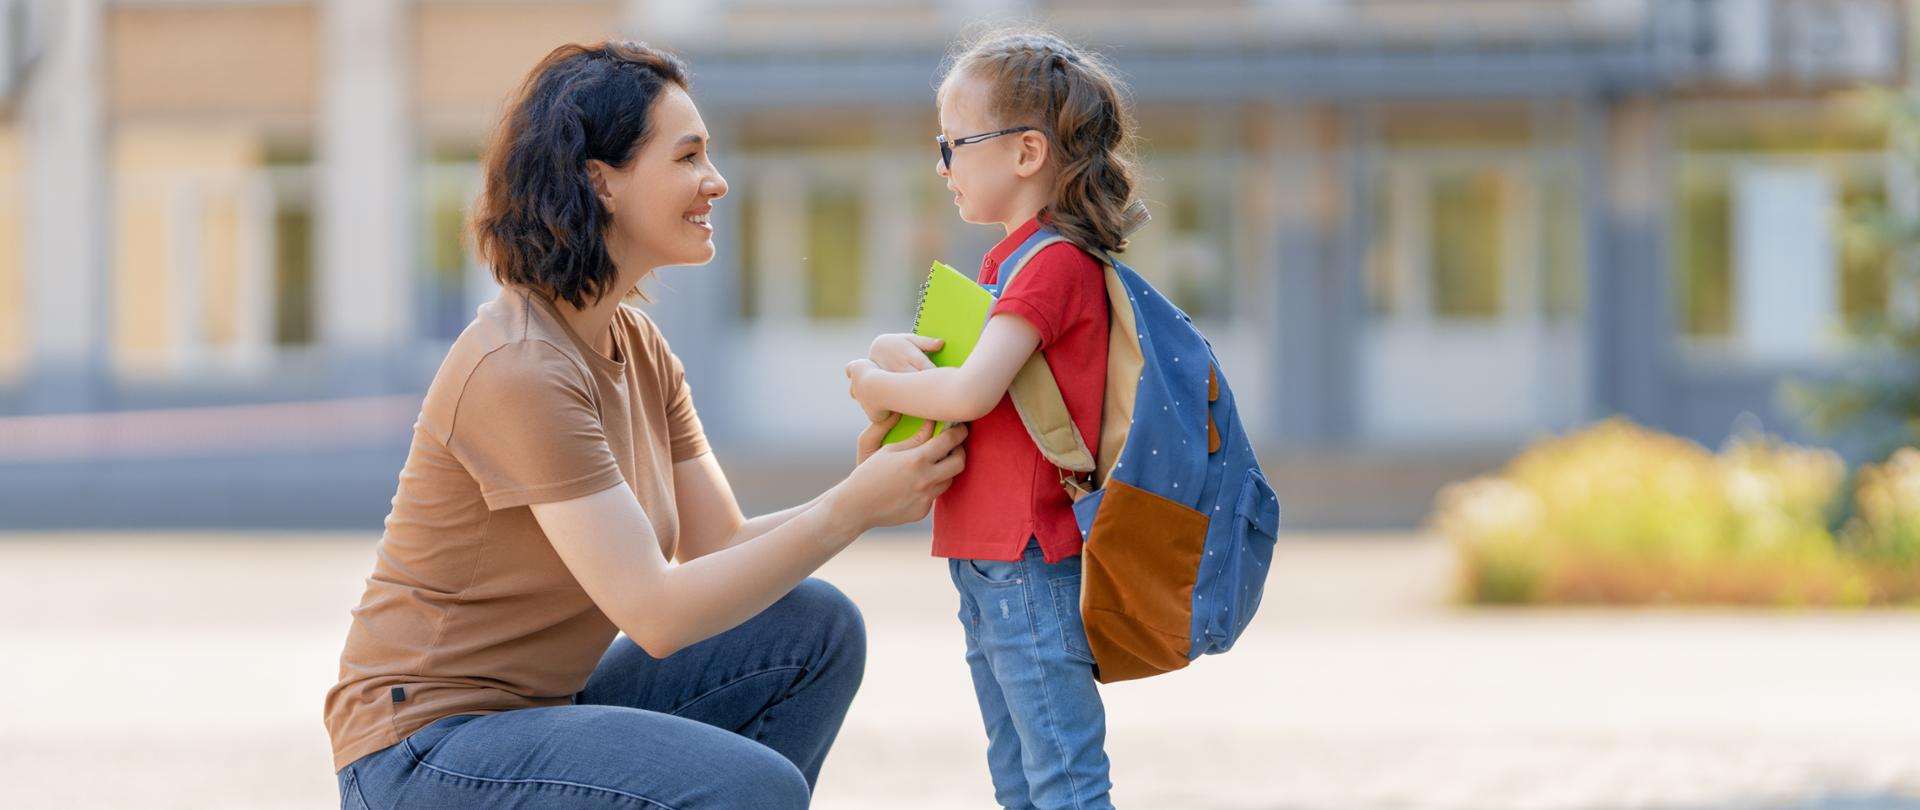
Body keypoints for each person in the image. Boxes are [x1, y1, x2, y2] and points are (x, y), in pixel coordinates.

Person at [323, 40, 967, 810]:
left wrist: (862, 489)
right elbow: (658, 614)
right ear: (600, 182)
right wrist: (852, 509)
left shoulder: (636, 344)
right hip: (423, 753)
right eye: (689, 156)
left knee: (812, 628)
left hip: (540, 714)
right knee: (751, 787)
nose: (716, 182)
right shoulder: (520, 366)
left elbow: (719, 546)